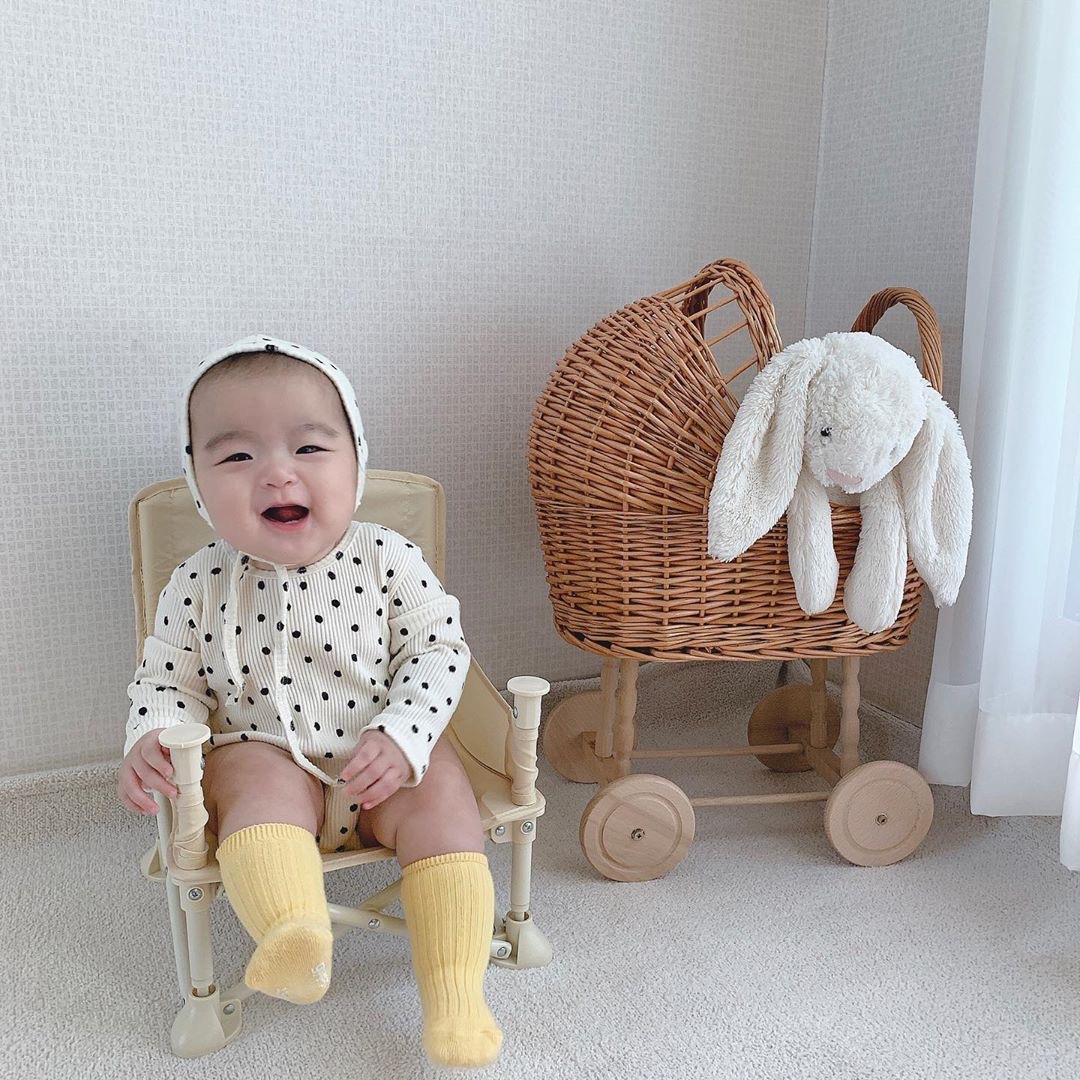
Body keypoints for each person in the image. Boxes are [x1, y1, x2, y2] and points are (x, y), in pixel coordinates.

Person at [118, 335, 501, 1068]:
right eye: (237, 456)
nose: (277, 472)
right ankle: (293, 932)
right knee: (246, 778)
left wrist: (405, 734)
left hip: (380, 757)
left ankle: (456, 994)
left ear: (355, 464)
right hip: (266, 753)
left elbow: (439, 652)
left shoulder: (388, 558)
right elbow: (167, 680)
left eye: (310, 448)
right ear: (198, 484)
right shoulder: (197, 581)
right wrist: (154, 733)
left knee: (445, 802)